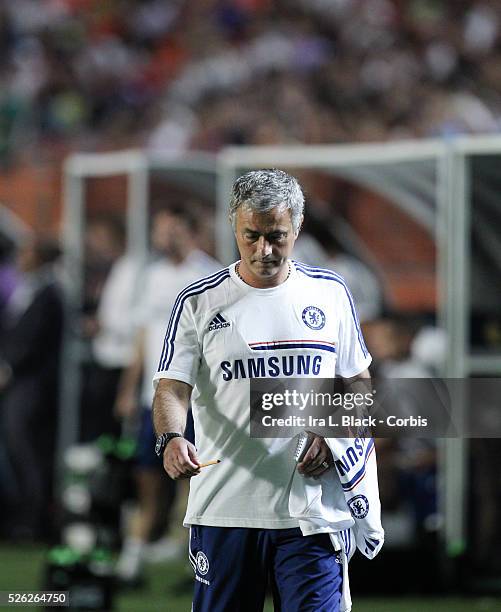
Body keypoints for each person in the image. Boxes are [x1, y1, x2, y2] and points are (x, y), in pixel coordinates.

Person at [152, 170, 383, 612]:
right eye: (251, 236)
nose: (264, 250)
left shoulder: (329, 293)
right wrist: (172, 437)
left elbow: (359, 382)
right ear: (234, 229)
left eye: (276, 236)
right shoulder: (199, 300)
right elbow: (172, 387)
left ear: (297, 227)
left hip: (312, 513)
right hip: (225, 509)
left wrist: (334, 428)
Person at [114, 207, 220, 583]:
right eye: (160, 229)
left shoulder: (208, 275)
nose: (165, 236)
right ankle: (134, 560)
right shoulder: (154, 276)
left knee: (195, 482)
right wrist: (129, 388)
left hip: (190, 399)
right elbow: (143, 336)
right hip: (153, 397)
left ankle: (198, 564)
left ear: (191, 232)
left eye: (172, 228)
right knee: (147, 476)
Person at [0, 236, 64, 540]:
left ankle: (38, 521)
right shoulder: (28, 289)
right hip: (20, 385)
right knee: (18, 451)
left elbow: (32, 342)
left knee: (29, 452)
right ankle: (25, 517)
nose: (20, 258)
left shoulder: (49, 293)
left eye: (26, 251)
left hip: (32, 387)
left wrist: (8, 368)